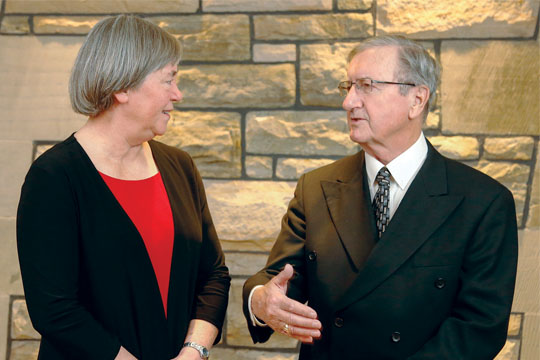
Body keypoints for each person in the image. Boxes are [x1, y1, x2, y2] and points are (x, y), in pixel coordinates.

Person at [242, 35, 518, 359]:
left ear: (416, 99)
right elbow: (281, 278)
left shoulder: (483, 203)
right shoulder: (316, 187)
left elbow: (478, 329)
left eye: (366, 86)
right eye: (348, 87)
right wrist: (260, 299)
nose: (349, 102)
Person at [17, 15, 230, 360]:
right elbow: (54, 309)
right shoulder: (54, 177)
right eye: (168, 80)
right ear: (122, 88)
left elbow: (214, 275)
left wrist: (194, 351)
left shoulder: (180, 166)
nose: (177, 94)